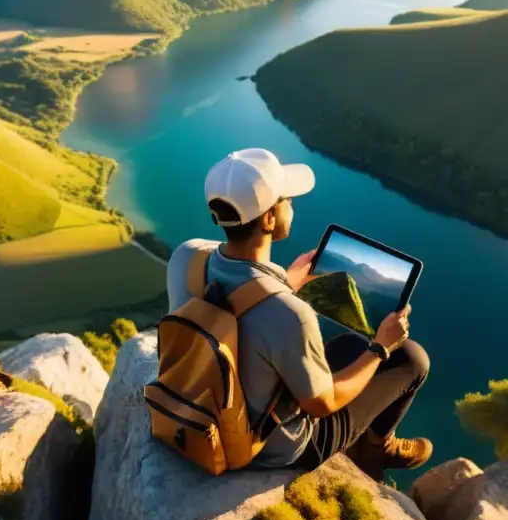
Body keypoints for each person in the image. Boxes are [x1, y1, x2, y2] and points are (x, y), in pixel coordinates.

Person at [166, 147, 432, 480]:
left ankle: (375, 431)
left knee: (349, 344)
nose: (292, 205)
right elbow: (323, 404)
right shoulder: (292, 314)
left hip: (198, 403)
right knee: (411, 358)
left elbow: (235, 314)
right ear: (268, 219)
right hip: (270, 446)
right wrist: (381, 348)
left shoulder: (186, 258)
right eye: (288, 200)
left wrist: (283, 282)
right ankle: (376, 448)